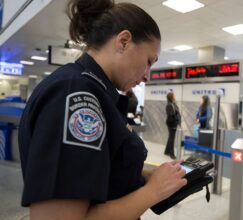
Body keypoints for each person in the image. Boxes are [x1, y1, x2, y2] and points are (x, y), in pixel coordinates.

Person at [18, 1, 187, 219]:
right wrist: (152, 191)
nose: (147, 75)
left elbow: (100, 168)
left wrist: (151, 174)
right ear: (124, 41)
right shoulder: (76, 96)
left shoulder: (95, 92)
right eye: (148, 61)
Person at [164, 92, 181, 159]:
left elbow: (176, 112)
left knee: (171, 137)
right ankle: (171, 153)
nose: (175, 96)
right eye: (174, 96)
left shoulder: (173, 104)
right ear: (171, 97)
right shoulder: (169, 105)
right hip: (171, 124)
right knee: (172, 138)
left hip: (174, 123)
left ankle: (166, 151)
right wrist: (176, 115)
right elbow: (171, 114)